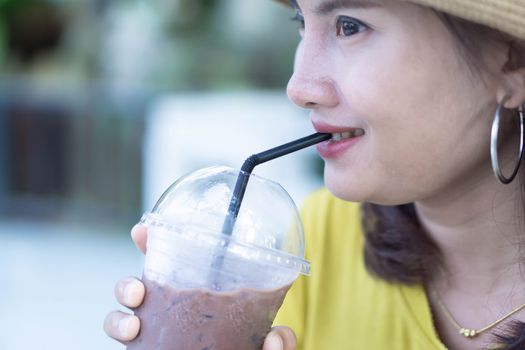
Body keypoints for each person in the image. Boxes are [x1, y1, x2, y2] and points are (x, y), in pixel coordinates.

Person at [104, 0, 525, 349]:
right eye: (301, 23)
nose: (299, 87)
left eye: (349, 26)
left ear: (512, 61)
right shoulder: (316, 240)